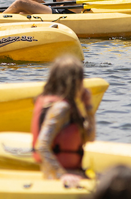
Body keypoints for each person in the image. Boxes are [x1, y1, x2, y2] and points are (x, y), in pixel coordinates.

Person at [31, 55, 95, 188]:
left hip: (73, 172)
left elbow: (89, 139)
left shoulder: (68, 106)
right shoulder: (61, 108)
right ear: (74, 81)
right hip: (59, 177)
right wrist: (62, 175)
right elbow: (42, 146)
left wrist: (89, 109)